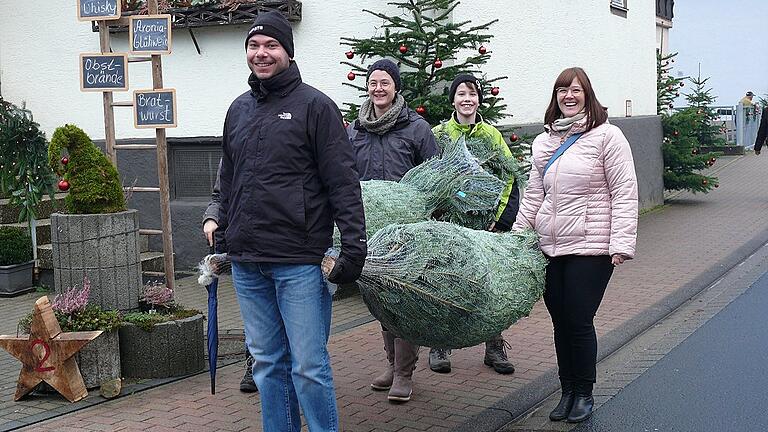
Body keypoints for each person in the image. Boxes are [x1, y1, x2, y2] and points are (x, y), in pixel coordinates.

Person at [217, 11, 367, 432]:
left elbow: (343, 183)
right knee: (267, 364)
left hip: (299, 261)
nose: (261, 54)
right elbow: (228, 175)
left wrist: (354, 248)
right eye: (254, 46)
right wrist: (216, 214)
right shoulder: (238, 109)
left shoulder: (316, 107)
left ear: (288, 52)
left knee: (308, 367)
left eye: (271, 46)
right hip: (247, 261)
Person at [512, 67, 638, 423]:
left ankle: (584, 393)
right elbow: (535, 194)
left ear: (588, 95)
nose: (569, 96)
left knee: (579, 319)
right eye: (562, 90)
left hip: (592, 245)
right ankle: (566, 390)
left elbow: (625, 192)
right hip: (550, 245)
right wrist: (519, 235)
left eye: (576, 90)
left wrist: (622, 243)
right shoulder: (544, 142)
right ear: (555, 97)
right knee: (560, 320)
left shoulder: (608, 137)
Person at [347, 58, 439, 402]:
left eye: (385, 83)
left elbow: (433, 176)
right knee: (380, 298)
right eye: (373, 83)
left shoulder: (416, 128)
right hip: (370, 230)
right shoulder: (355, 129)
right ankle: (391, 364)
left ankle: (404, 372)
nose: (378, 88)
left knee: (403, 299)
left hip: (407, 231)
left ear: (396, 87)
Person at [428, 73, 519, 375]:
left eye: (472, 94)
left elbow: (509, 176)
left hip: (485, 226)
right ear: (452, 99)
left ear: (479, 99)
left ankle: (494, 347)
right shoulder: (439, 133)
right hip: (448, 225)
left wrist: (499, 218)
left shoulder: (491, 135)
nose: (467, 99)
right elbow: (428, 175)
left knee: (490, 282)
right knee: (446, 280)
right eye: (461, 94)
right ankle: (440, 345)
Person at [203, 160, 258, 394]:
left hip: (286, 248)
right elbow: (221, 196)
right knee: (253, 315)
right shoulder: (236, 140)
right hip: (245, 247)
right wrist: (212, 219)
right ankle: (254, 364)